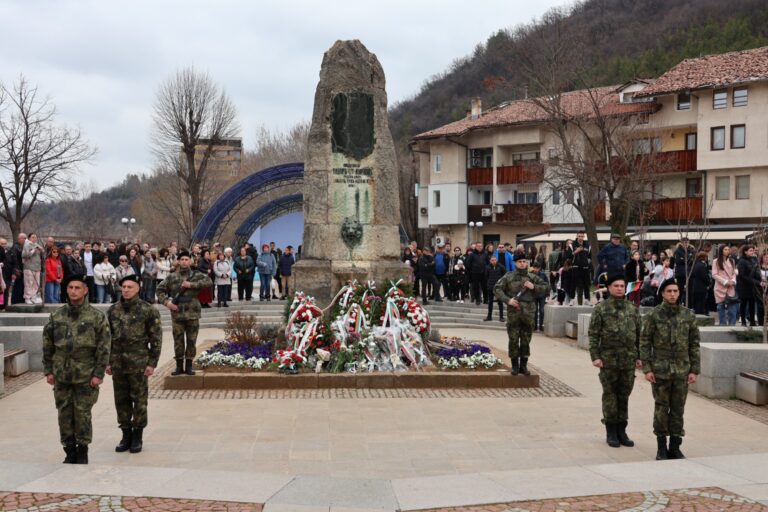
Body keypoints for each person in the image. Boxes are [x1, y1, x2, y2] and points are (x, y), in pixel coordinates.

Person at [42, 274, 111, 464]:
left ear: (85, 290)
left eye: (77, 288)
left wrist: (98, 374)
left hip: (85, 374)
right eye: (71, 287)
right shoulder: (57, 316)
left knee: (82, 414)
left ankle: (82, 451)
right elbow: (48, 345)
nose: (73, 291)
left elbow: (104, 347)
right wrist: (48, 370)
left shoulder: (96, 316)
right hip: (61, 374)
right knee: (64, 414)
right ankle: (69, 450)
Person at [640, 278, 701, 460]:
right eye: (669, 291)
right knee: (661, 407)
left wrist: (694, 370)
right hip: (660, 369)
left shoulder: (688, 316)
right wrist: (647, 368)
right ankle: (661, 446)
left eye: (675, 291)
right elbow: (644, 342)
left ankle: (675, 445)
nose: (673, 294)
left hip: (682, 370)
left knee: (678, 408)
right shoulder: (653, 315)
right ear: (662, 293)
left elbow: (694, 344)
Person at [106, 274, 162, 454]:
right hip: (118, 363)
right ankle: (125, 434)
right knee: (121, 400)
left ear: (138, 289)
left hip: (139, 362)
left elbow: (156, 338)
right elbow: (106, 339)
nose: (126, 290)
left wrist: (152, 362)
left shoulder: (148, 310)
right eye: (123, 287)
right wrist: (107, 361)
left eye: (130, 287)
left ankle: (137, 435)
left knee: (139, 400)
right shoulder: (113, 310)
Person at [588, 273, 641, 448]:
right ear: (609, 288)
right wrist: (595, 356)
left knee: (624, 395)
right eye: (616, 286)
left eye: (621, 286)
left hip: (628, 359)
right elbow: (594, 334)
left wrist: (639, 356)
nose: (619, 288)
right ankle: (611, 430)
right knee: (610, 395)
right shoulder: (601, 309)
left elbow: (640, 335)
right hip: (608, 359)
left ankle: (622, 430)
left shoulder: (632, 308)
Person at [156, 250, 213, 376]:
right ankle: (178, 366)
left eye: (187, 259)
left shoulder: (196, 274)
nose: (184, 262)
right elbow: (159, 289)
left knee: (192, 340)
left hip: (192, 311)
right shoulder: (172, 276)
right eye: (182, 259)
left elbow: (209, 282)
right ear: (178, 261)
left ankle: (188, 365)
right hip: (177, 312)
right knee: (178, 340)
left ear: (190, 261)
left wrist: (191, 284)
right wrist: (167, 303)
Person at [493, 253, 550, 376]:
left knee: (526, 340)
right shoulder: (508, 276)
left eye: (524, 261)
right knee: (513, 340)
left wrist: (534, 286)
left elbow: (547, 288)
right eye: (520, 261)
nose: (522, 263)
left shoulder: (533, 277)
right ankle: (514, 366)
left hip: (528, 313)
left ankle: (523, 366)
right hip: (514, 313)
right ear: (515, 263)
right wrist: (508, 300)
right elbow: (497, 289)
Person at [712, 245, 738, 326]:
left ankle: (732, 325)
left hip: (730, 287)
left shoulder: (732, 261)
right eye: (725, 249)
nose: (727, 251)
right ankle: (722, 325)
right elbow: (714, 274)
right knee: (720, 307)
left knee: (732, 308)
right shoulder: (716, 261)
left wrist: (733, 281)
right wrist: (725, 281)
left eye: (728, 249)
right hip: (720, 287)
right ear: (721, 251)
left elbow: (734, 273)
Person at [737, 245, 761, 327]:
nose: (752, 252)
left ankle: (752, 321)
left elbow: (757, 272)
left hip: (753, 286)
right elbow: (742, 275)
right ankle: (743, 320)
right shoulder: (742, 261)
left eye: (753, 250)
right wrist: (753, 281)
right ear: (745, 252)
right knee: (743, 304)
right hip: (744, 286)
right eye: (750, 250)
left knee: (752, 304)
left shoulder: (754, 260)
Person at [22, 232, 44, 304]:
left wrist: (41, 250)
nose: (34, 238)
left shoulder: (37, 245)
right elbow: (24, 255)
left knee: (36, 283)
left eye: (35, 237)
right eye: (33, 237)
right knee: (29, 283)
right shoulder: (26, 245)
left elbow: (43, 254)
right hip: (29, 267)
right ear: (29, 238)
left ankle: (33, 297)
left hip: (37, 267)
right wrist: (33, 250)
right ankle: (27, 298)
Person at [673, 237, 695, 306]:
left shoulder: (691, 250)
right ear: (681, 243)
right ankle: (677, 305)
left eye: (687, 242)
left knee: (690, 291)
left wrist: (685, 259)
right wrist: (688, 259)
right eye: (684, 242)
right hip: (681, 274)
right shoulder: (678, 251)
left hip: (689, 273)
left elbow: (693, 261)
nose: (686, 244)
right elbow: (678, 261)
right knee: (680, 289)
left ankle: (688, 306)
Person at [484, 256, 505, 322]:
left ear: (497, 260)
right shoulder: (487, 267)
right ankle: (489, 316)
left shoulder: (501, 267)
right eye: (492, 260)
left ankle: (501, 317)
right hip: (490, 287)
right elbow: (486, 276)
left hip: (498, 287)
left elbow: (504, 275)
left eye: (495, 260)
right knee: (490, 302)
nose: (494, 261)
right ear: (490, 261)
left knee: (500, 302)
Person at [529, 261, 548, 331]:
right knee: (535, 310)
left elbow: (547, 284)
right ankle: (534, 326)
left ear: (539, 268)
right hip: (534, 295)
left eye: (537, 268)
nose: (536, 269)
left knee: (542, 310)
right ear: (533, 268)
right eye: (535, 268)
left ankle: (541, 325)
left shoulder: (543, 275)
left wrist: (547, 293)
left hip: (542, 295)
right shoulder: (531, 275)